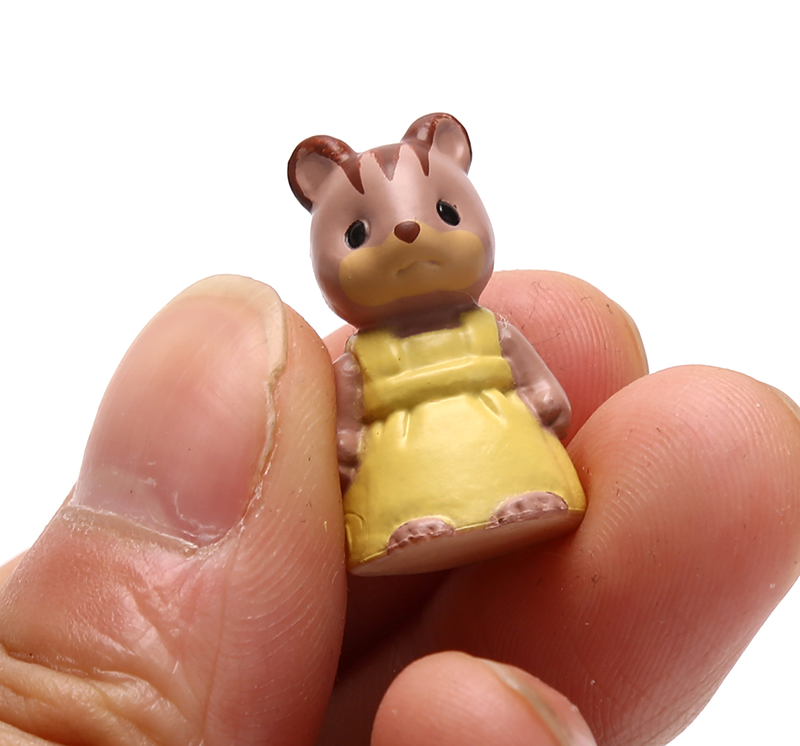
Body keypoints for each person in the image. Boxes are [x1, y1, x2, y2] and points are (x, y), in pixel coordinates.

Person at [0, 271, 797, 746]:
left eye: (441, 211)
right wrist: (345, 444)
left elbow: (535, 382)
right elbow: (346, 418)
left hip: (495, 438)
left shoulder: (486, 326)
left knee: (528, 474)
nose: (409, 233)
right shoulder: (368, 352)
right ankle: (416, 528)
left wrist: (546, 400)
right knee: (402, 513)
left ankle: (520, 500)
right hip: (404, 460)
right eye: (360, 232)